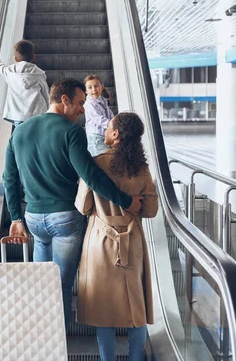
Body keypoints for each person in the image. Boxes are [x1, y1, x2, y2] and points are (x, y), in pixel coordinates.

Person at [2, 78, 142, 326]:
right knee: (62, 286)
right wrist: (125, 201)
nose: (82, 110)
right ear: (63, 99)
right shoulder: (72, 132)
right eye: (79, 103)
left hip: (33, 219)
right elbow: (90, 174)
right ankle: (60, 343)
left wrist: (16, 217)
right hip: (65, 218)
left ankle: (42, 338)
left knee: (41, 283)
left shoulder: (20, 131)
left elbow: (9, 178)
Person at [75, 112, 159, 361]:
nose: (105, 130)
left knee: (103, 308)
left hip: (100, 241)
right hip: (131, 240)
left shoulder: (97, 163)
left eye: (109, 127)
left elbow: (83, 206)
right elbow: (151, 211)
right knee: (136, 307)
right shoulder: (141, 168)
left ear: (116, 134)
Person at [0, 40, 49, 126]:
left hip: (19, 116)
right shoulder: (40, 74)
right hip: (37, 115)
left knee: (21, 137)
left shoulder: (10, 72)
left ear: (15, 59)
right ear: (33, 56)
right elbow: (46, 94)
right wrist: (49, 112)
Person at [84, 75, 114, 156]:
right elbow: (100, 120)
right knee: (103, 163)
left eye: (96, 86)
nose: (94, 89)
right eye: (90, 87)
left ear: (102, 86)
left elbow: (110, 116)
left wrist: (115, 122)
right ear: (86, 91)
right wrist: (115, 126)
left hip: (105, 137)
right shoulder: (89, 104)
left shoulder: (104, 101)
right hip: (95, 139)